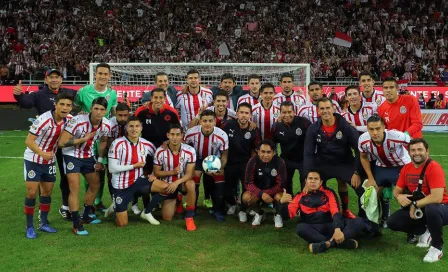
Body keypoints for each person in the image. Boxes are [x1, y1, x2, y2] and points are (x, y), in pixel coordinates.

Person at [13, 68, 77, 221]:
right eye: (51, 77)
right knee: (38, 187)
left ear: (61, 80)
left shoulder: (70, 93)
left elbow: (83, 102)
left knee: (66, 176)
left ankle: (65, 207)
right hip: (43, 145)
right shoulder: (39, 95)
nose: (54, 80)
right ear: (46, 80)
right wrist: (18, 95)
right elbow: (25, 102)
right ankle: (36, 219)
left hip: (61, 144)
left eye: (57, 77)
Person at [387, 138, 448, 263]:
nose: (416, 153)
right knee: (392, 221)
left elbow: (437, 197)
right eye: (413, 150)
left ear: (427, 151)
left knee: (432, 208)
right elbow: (396, 190)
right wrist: (399, 196)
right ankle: (425, 230)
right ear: (409, 152)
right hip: (421, 208)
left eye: (420, 149)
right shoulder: (406, 168)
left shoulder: (434, 167)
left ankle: (437, 247)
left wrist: (415, 204)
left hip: (442, 207)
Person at [23, 93, 74, 239]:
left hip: (49, 161)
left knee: (46, 192)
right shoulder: (43, 120)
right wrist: (42, 153)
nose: (65, 108)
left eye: (68, 105)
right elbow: (29, 141)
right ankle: (29, 226)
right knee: (32, 193)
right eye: (62, 104)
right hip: (33, 159)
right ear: (56, 105)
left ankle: (43, 223)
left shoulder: (69, 120)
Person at [304, 97, 364, 219]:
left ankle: (363, 217)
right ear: (318, 111)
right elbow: (308, 153)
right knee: (311, 187)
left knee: (362, 188)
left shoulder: (346, 127)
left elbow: (359, 150)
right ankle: (318, 213)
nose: (325, 111)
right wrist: (308, 177)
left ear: (333, 108)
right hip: (323, 164)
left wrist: (357, 172)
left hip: (344, 163)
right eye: (322, 108)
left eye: (327, 108)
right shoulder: (313, 128)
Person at [58, 97, 111, 235]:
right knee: (74, 188)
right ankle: (76, 224)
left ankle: (86, 215)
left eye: (102, 109)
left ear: (106, 111)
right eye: (96, 108)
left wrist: (99, 160)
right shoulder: (77, 121)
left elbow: (104, 140)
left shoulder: (106, 125)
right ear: (91, 108)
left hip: (87, 155)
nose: (98, 112)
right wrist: (83, 139)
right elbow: (62, 142)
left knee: (95, 184)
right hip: (71, 155)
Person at [279, 170, 365, 254]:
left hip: (331, 226)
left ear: (321, 182)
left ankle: (327, 244)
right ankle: (339, 242)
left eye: (316, 179)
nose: (313, 181)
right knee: (300, 228)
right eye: (310, 178)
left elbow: (336, 212)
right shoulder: (299, 196)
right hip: (314, 228)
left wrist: (337, 229)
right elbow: (287, 216)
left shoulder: (329, 192)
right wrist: (282, 203)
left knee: (359, 222)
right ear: (306, 181)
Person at [105, 116, 169, 227]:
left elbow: (159, 158)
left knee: (167, 187)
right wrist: (134, 166)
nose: (134, 129)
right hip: (121, 187)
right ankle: (116, 205)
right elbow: (112, 168)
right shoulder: (117, 144)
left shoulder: (147, 144)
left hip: (138, 181)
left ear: (141, 128)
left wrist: (153, 174)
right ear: (126, 128)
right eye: (131, 126)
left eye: (137, 126)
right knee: (122, 224)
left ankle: (146, 212)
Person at [358, 115, 411, 227]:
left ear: (383, 127)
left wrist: (413, 167)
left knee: (406, 193)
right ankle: (375, 223)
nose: (375, 132)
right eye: (371, 129)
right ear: (367, 129)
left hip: (401, 166)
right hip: (382, 166)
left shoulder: (397, 136)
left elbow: (413, 146)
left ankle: (410, 227)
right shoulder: (363, 140)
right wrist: (371, 178)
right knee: (373, 191)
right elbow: (363, 157)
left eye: (378, 128)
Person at [146, 124, 197, 231]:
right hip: (167, 185)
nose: (175, 137)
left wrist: (176, 182)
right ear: (168, 135)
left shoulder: (190, 150)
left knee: (191, 184)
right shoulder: (160, 151)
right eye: (172, 134)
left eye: (178, 134)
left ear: (182, 136)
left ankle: (189, 216)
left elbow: (189, 174)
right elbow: (156, 172)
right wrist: (172, 172)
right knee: (167, 217)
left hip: (182, 183)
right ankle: (177, 199)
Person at [184, 110, 229, 221]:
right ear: (200, 121)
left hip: (214, 160)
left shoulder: (222, 135)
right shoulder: (191, 133)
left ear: (215, 121)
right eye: (204, 121)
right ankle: (192, 209)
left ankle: (217, 209)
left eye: (210, 121)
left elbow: (224, 156)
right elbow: (185, 150)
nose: (207, 123)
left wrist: (219, 168)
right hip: (197, 159)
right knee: (194, 179)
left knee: (219, 179)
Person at [221, 102, 261, 219]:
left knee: (247, 187)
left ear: (250, 115)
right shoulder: (228, 125)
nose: (243, 115)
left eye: (246, 113)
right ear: (237, 113)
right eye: (241, 112)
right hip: (230, 162)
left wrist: (252, 164)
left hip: (245, 163)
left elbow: (256, 148)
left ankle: (245, 208)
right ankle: (232, 204)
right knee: (229, 186)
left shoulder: (254, 129)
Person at [242, 139, 286, 228]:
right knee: (246, 198)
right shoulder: (252, 161)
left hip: (274, 194)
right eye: (263, 152)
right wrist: (261, 194)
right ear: (258, 152)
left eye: (268, 152)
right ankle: (260, 213)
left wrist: (267, 193)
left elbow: (281, 184)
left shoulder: (280, 162)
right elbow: (248, 183)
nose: (265, 155)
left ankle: (277, 215)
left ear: (273, 152)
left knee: (281, 197)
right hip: (258, 193)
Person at [272, 101, 311, 194]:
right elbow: (273, 144)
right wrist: (276, 159)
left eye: (289, 112)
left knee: (305, 182)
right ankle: (289, 204)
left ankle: (304, 204)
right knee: (286, 183)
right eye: (284, 112)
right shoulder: (276, 126)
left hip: (303, 159)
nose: (287, 115)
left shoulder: (304, 123)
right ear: (280, 113)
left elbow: (312, 139)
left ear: (294, 112)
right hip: (286, 159)